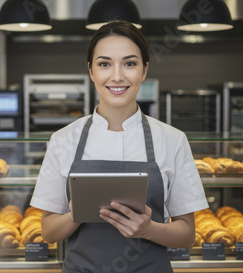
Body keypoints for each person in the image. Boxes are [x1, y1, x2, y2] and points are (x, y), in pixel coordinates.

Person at [30, 20, 209, 272]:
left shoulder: (172, 139)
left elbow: (187, 234)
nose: (117, 76)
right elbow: (48, 232)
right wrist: (74, 214)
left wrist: (149, 229)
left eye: (130, 63)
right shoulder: (63, 140)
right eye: (104, 64)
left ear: (144, 70)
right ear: (91, 71)